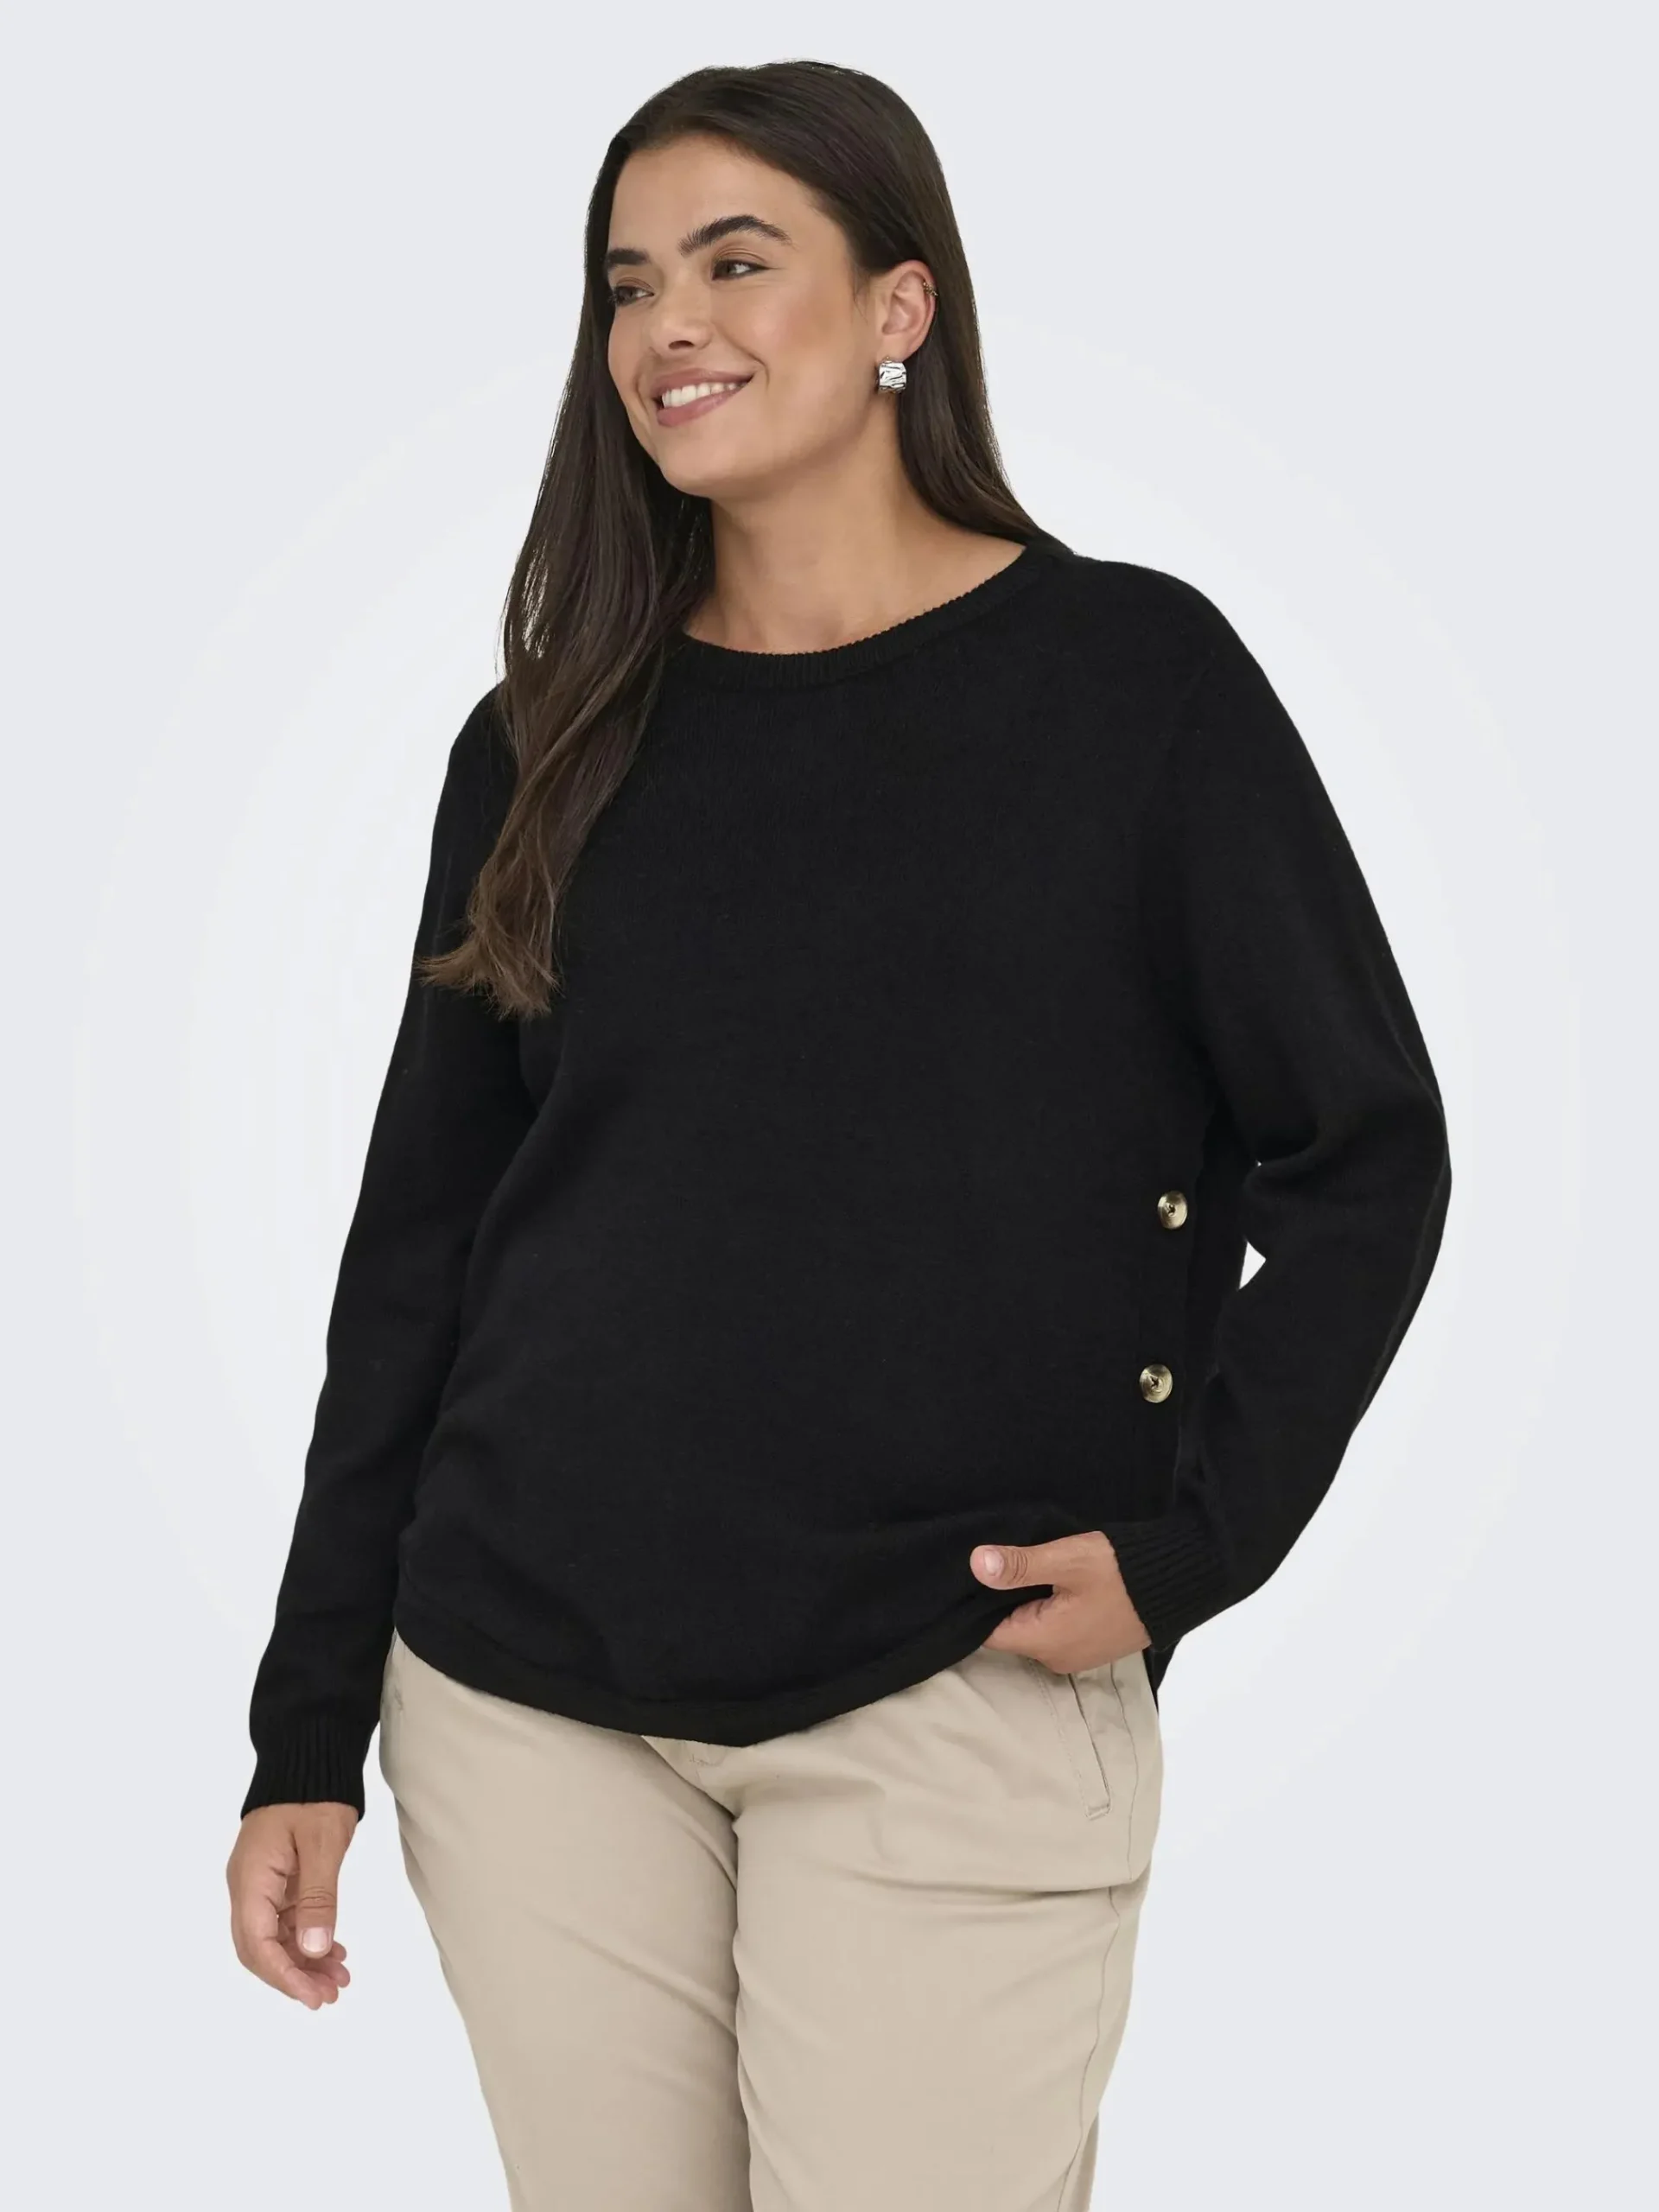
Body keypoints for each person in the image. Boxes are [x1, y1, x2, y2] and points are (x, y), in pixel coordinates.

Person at [226, 58, 1452, 2212]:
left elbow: (1368, 1151)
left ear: (902, 307)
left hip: (952, 1670)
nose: (666, 325)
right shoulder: (543, 745)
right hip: (530, 1694)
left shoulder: (1134, 684)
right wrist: (307, 1719)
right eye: (628, 283)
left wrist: (1194, 1542)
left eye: (734, 262)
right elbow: (418, 1250)